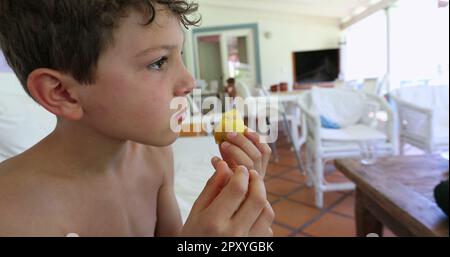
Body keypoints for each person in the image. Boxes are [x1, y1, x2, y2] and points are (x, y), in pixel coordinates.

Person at [0, 0, 273, 237]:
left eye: (180, 54)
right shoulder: (11, 214)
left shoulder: (155, 156)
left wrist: (240, 195)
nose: (190, 82)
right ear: (63, 93)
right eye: (158, 62)